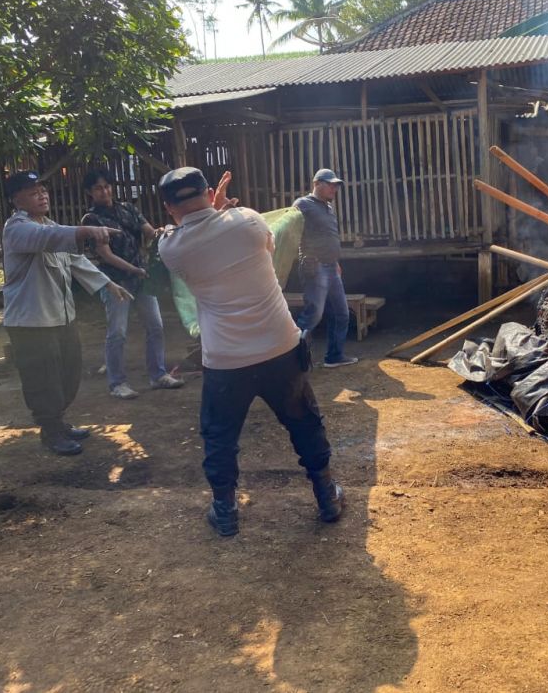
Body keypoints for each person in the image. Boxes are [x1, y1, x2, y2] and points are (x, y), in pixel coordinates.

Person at [156, 167, 344, 536]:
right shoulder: (248, 222)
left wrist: (214, 213)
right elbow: (267, 249)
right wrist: (225, 211)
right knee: (304, 424)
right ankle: (327, 497)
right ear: (210, 192)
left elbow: (192, 235)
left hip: (226, 359)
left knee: (220, 437)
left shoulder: (171, 247)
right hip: (280, 347)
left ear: (168, 209)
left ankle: (225, 512)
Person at [2, 170, 133, 455]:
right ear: (16, 199)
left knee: (69, 373)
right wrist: (86, 231)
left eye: (42, 189)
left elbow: (75, 260)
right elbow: (49, 238)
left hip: (60, 317)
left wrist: (108, 284)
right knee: (43, 380)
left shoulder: (49, 224)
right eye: (33, 191)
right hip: (32, 322)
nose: (42, 194)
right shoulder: (18, 228)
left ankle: (59, 422)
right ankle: (50, 431)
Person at [80, 169, 184, 399]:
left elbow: (148, 231)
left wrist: (163, 233)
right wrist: (134, 269)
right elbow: (106, 255)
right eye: (98, 188)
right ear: (89, 192)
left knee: (155, 326)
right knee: (117, 332)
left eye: (107, 186)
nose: (104, 191)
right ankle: (117, 383)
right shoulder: (92, 221)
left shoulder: (128, 208)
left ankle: (158, 375)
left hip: (141, 278)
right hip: (115, 282)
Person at [292, 168, 358, 368]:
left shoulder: (328, 208)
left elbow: (328, 237)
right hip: (315, 266)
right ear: (316, 183)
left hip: (331, 267)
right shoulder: (303, 204)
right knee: (313, 315)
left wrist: (336, 262)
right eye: (330, 184)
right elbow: (291, 230)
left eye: (336, 185)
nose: (334, 189)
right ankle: (291, 359)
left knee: (341, 313)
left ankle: (334, 356)